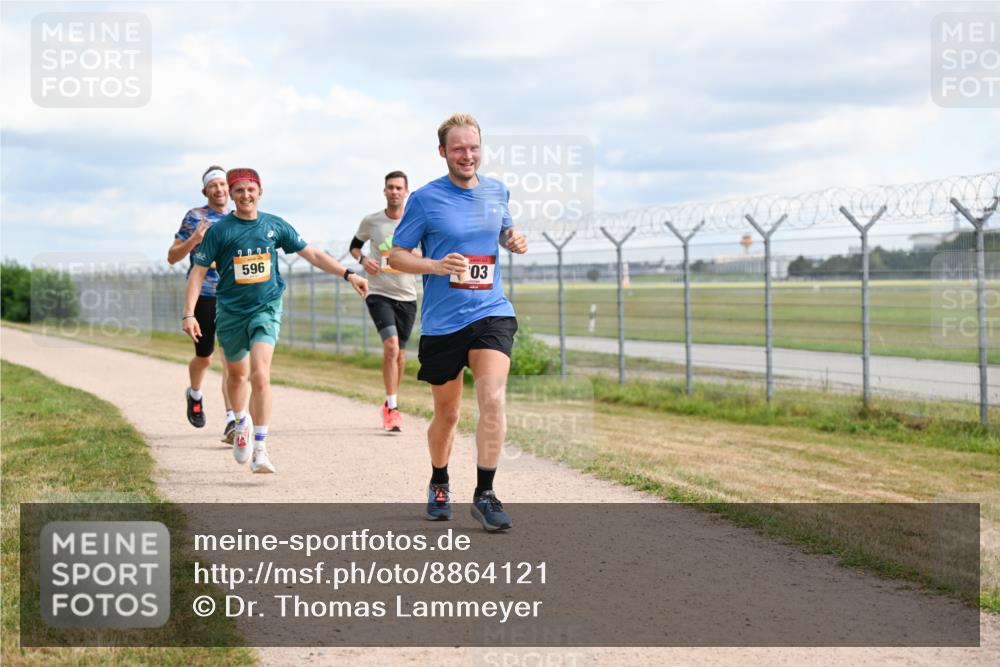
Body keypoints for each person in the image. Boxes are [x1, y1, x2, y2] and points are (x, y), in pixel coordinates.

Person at [390, 113, 528, 531]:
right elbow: (397, 255)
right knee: (447, 415)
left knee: (493, 399)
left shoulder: (497, 190)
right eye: (458, 149)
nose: (467, 155)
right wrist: (434, 264)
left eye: (473, 147)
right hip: (443, 322)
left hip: (491, 311)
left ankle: (485, 493)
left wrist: (512, 239)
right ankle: (439, 480)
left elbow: (502, 231)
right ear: (442, 153)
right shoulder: (425, 199)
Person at [182, 168, 368, 474]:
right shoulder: (220, 231)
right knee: (237, 377)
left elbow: (313, 255)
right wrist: (189, 313)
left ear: (260, 191)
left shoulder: (274, 225)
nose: (245, 196)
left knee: (261, 374)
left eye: (250, 190)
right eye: (238, 191)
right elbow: (198, 274)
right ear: (231, 194)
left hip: (266, 308)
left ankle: (261, 448)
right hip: (230, 311)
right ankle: (240, 421)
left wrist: (349, 275)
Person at [167, 165, 236, 442]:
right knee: (205, 357)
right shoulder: (195, 217)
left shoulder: (237, 218)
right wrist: (194, 239)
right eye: (213, 185)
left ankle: (232, 420)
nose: (219, 190)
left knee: (231, 360)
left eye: (223, 185)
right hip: (204, 294)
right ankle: (194, 394)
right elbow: (172, 256)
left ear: (229, 189)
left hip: (232, 296)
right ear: (205, 190)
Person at [349, 171, 419, 433]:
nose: (394, 192)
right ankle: (392, 408)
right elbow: (355, 246)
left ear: (406, 191)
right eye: (390, 187)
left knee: (400, 356)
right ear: (384, 191)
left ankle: (391, 400)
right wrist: (363, 260)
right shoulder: (372, 221)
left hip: (407, 295)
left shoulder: (415, 221)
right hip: (378, 292)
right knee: (390, 347)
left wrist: (416, 256)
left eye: (399, 188)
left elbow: (427, 251)